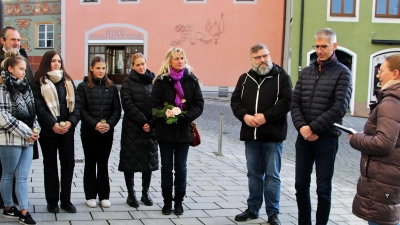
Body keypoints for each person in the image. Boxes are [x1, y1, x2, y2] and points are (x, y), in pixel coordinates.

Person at [290, 28, 352, 225]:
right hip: (304, 137)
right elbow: (295, 102)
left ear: (334, 46)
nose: (319, 50)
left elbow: (340, 107)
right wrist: (302, 128)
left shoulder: (343, 73)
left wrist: (313, 128)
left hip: (326, 138)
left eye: (324, 46)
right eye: (316, 46)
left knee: (323, 188)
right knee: (300, 185)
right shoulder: (307, 71)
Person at [230, 44, 293, 225]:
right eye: (258, 57)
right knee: (254, 174)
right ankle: (253, 209)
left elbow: (287, 102)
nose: (263, 60)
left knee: (272, 175)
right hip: (251, 135)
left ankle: (273, 213)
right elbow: (235, 102)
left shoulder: (282, 77)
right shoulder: (245, 78)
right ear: (252, 59)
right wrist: (245, 116)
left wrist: (266, 117)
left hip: (273, 135)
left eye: (265, 55)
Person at [151, 47, 204, 215]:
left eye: (182, 58)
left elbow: (199, 104)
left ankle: (179, 202)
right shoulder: (161, 81)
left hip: (184, 130)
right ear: (169, 61)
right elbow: (154, 105)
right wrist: (165, 113)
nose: (180, 61)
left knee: (181, 167)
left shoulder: (191, 80)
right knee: (166, 167)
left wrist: (185, 116)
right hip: (165, 131)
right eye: (176, 58)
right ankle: (167, 202)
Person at [348, 54, 400, 225]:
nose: (378, 74)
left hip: (384, 180)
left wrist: (356, 138)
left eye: (382, 71)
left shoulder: (391, 102)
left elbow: (384, 143)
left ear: (395, 74)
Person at [31, 50, 80, 213]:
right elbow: (39, 107)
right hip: (48, 131)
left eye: (59, 61)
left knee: (68, 164)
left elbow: (77, 106)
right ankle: (52, 201)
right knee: (50, 165)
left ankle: (66, 200)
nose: (57, 64)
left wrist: (70, 123)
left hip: (67, 130)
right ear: (47, 63)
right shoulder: (38, 82)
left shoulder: (68, 81)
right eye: (53, 61)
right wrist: (53, 124)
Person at [77, 56, 121, 208]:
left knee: (103, 163)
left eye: (103, 68)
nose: (101, 71)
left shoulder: (112, 87)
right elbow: (81, 110)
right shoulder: (83, 87)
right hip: (89, 132)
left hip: (107, 133)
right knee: (90, 162)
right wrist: (94, 124)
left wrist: (109, 124)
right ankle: (90, 195)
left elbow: (117, 109)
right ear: (91, 68)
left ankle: (104, 196)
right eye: (98, 68)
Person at [0, 51, 38, 224]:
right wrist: (27, 132)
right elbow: (3, 117)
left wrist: (36, 130)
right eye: (21, 69)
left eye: (25, 69)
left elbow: (33, 113)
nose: (24, 72)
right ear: (10, 68)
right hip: (9, 140)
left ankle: (24, 211)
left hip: (28, 140)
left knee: (22, 176)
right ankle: (8, 207)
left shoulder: (26, 87)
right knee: (8, 175)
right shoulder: (2, 88)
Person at [118, 53, 158, 208]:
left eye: (143, 64)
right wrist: (142, 121)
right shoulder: (127, 83)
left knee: (148, 161)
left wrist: (151, 122)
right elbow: (127, 105)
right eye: (138, 65)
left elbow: (158, 104)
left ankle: (145, 192)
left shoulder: (153, 82)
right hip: (132, 128)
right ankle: (130, 193)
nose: (141, 67)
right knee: (130, 161)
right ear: (132, 67)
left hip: (150, 128)